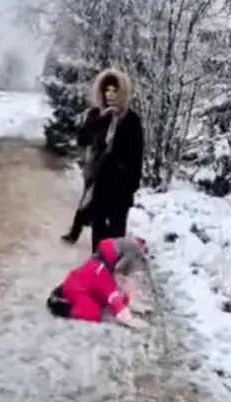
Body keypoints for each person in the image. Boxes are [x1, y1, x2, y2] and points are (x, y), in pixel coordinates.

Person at [63, 68, 144, 251]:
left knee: (115, 235)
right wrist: (100, 120)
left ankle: (112, 272)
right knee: (98, 235)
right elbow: (83, 139)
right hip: (98, 182)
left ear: (122, 92)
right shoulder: (95, 114)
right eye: (107, 90)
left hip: (120, 187)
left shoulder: (130, 120)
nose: (110, 95)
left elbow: (137, 154)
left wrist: (132, 184)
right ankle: (97, 270)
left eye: (115, 91)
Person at [46, 237, 151, 329]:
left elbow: (119, 292)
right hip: (76, 289)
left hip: (83, 285)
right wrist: (128, 319)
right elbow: (114, 299)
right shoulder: (103, 274)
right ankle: (61, 307)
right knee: (93, 312)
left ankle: (65, 293)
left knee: (118, 298)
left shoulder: (105, 265)